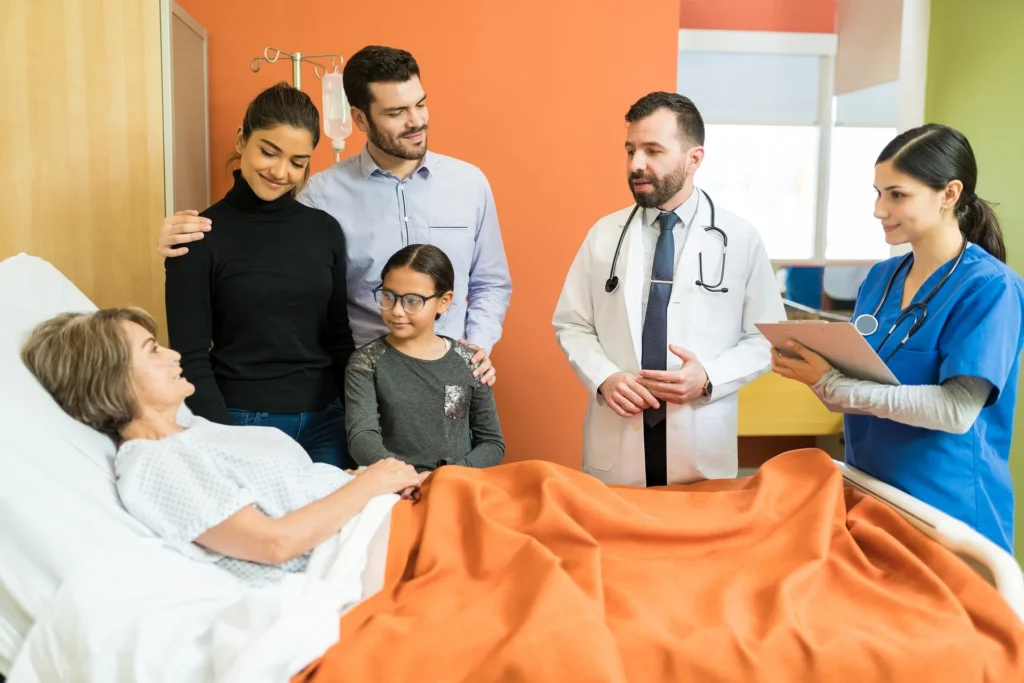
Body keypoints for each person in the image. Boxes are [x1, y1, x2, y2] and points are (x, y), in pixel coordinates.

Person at [156, 45, 510, 386]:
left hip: (452, 379)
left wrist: (476, 346)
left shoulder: (469, 184)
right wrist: (178, 238)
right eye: (395, 112)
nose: (415, 121)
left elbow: (490, 283)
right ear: (359, 118)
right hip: (362, 386)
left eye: (420, 104)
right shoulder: (321, 197)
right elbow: (258, 249)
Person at [20, 308, 425, 586]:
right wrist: (368, 484)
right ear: (112, 379)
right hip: (355, 550)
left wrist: (356, 481)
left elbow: (285, 491)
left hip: (377, 511)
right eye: (153, 350)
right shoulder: (154, 462)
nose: (175, 354)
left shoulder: (191, 431)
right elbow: (274, 543)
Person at [770, 123, 1024, 553]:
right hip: (872, 495)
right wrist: (817, 375)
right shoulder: (881, 279)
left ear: (949, 194)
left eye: (896, 194)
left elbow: (955, 411)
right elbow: (860, 389)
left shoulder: (990, 289)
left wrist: (835, 384)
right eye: (877, 192)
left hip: (948, 511)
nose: (878, 209)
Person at [552, 92, 786, 488]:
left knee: (698, 544)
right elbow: (572, 324)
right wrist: (604, 376)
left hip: (700, 445)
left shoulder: (740, 239)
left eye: (652, 151)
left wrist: (710, 376)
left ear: (694, 159)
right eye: (630, 150)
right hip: (617, 444)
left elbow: (766, 338)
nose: (636, 164)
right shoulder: (603, 234)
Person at [163, 82, 356, 469]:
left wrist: (357, 421)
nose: (281, 172)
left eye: (298, 162)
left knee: (344, 526)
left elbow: (338, 340)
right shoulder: (198, 236)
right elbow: (191, 357)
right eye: (269, 152)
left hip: (328, 424)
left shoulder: (325, 231)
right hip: (241, 421)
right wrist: (225, 438)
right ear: (242, 139)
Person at [345, 245, 505, 473]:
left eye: (413, 300)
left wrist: (444, 477)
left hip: (455, 486)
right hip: (392, 487)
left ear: (444, 300)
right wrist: (404, 477)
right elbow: (362, 437)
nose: (397, 310)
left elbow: (492, 443)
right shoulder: (366, 363)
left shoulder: (469, 363)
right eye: (388, 296)